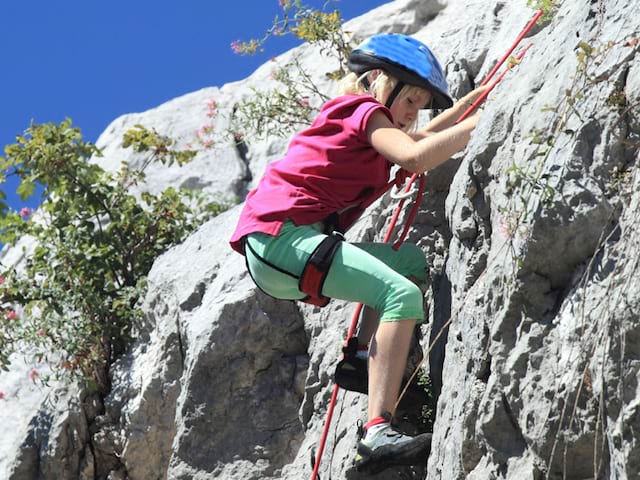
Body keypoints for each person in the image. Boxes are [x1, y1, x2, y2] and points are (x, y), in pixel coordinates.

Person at [230, 33, 488, 473]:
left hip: (283, 245)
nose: (412, 113)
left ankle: (360, 359)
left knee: (409, 263)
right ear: (379, 83)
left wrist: (466, 106)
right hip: (282, 237)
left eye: (421, 103)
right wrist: (485, 120)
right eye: (410, 99)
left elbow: (422, 136)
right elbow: (415, 156)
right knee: (401, 296)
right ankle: (376, 434)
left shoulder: (366, 121)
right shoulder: (361, 110)